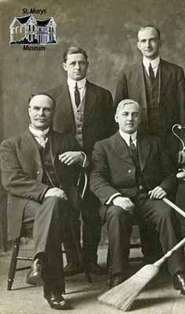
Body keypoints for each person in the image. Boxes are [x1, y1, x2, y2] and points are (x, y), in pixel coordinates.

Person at [90, 99, 185, 296]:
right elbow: (96, 178)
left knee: (166, 213)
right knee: (116, 215)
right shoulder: (103, 146)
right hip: (119, 200)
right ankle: (117, 276)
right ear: (116, 118)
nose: (130, 118)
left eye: (135, 114)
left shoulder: (154, 143)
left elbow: (170, 173)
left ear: (140, 118)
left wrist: (163, 187)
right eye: (125, 114)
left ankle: (179, 273)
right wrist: (115, 197)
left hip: (149, 198)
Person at [0, 93, 88, 310]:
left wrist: (82, 157)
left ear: (53, 113)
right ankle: (54, 291)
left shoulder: (66, 140)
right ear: (29, 110)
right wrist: (47, 191)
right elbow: (11, 181)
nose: (41, 113)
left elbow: (90, 167)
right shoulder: (11, 145)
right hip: (25, 207)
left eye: (46, 109)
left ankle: (39, 262)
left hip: (62, 205)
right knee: (52, 208)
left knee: (54, 209)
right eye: (36, 108)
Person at [47, 46, 114, 275]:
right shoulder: (52, 96)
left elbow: (107, 134)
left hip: (93, 163)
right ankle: (73, 260)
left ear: (88, 65)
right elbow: (50, 135)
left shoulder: (102, 95)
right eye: (73, 63)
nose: (77, 67)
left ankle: (90, 259)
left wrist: (86, 156)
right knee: (68, 211)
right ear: (64, 65)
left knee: (91, 212)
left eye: (81, 63)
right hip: (63, 165)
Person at [114, 25, 185, 166]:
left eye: (152, 40)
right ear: (138, 45)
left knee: (168, 184)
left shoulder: (175, 72)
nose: (147, 45)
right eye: (143, 41)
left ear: (160, 43)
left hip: (170, 143)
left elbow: (184, 111)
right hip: (139, 142)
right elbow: (118, 113)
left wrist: (184, 145)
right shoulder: (127, 74)